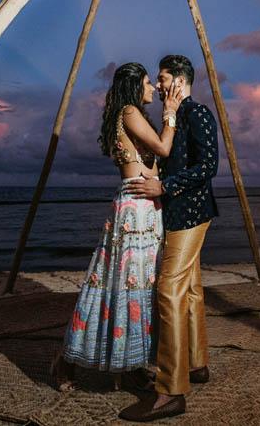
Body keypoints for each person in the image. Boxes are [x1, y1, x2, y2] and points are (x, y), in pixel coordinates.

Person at [52, 62, 185, 391]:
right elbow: (163, 148)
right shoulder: (128, 111)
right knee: (119, 284)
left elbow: (151, 161)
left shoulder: (130, 115)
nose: (153, 88)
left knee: (139, 286)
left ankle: (131, 364)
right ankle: (66, 361)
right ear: (134, 86)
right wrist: (170, 112)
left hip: (144, 207)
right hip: (135, 208)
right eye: (147, 83)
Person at [119, 54, 220, 422]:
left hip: (191, 214)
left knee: (168, 290)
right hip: (176, 214)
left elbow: (208, 166)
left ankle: (170, 391)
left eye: (162, 79)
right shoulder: (174, 116)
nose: (158, 86)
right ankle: (196, 364)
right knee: (190, 289)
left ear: (179, 80)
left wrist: (164, 186)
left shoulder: (198, 113)